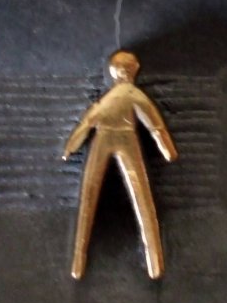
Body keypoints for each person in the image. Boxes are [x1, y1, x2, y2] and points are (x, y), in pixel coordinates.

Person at [62, 51, 178, 279]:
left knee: (89, 196)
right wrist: (168, 151)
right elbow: (156, 127)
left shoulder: (109, 98)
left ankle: (78, 261)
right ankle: (154, 261)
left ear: (113, 72)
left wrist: (70, 148)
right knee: (141, 197)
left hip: (105, 140)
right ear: (134, 71)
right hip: (126, 140)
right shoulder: (135, 95)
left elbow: (87, 122)